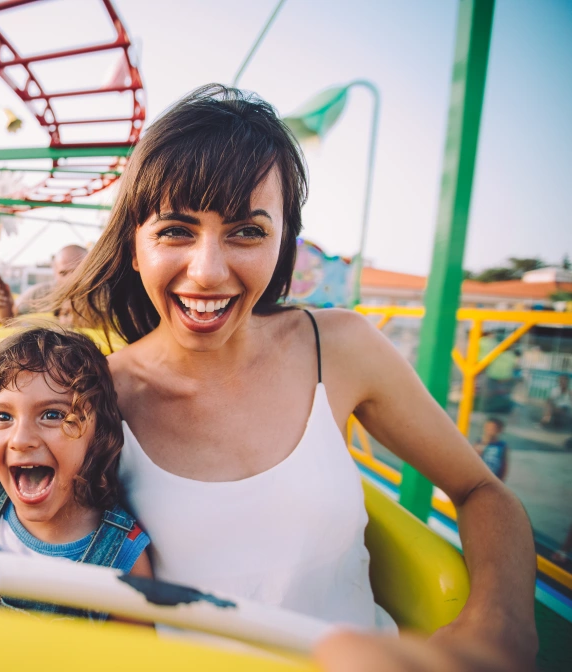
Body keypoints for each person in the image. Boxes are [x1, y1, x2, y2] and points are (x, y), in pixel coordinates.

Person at [45, 85, 536, 668]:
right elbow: (21, 508)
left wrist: (497, 622)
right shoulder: (94, 397)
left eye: (246, 232)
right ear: (133, 247)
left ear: (283, 244)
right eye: (176, 231)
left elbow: (482, 491)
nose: (207, 271)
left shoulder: (341, 347)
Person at [0, 327, 152, 618]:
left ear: (98, 431)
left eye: (52, 414)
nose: (20, 439)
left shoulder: (122, 554)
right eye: (3, 416)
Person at [0, 244, 88, 328]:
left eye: (77, 272)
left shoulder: (101, 298)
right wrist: (5, 307)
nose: (71, 279)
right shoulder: (40, 293)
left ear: (91, 271)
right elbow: (10, 320)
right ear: (55, 272)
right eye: (63, 273)